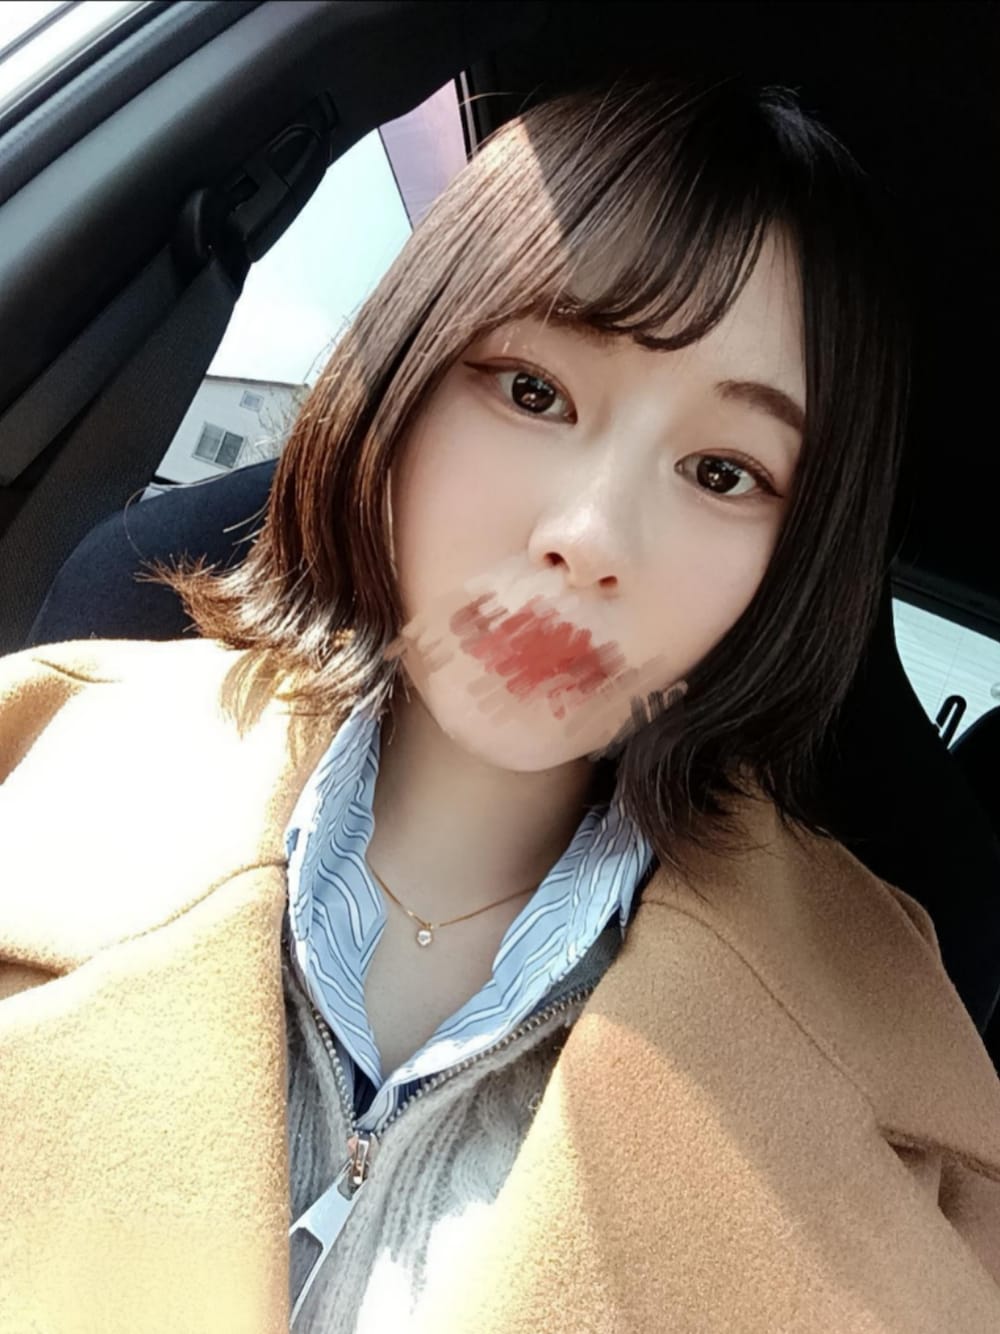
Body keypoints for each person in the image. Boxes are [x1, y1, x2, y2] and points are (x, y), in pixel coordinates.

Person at [1, 71, 999, 1334]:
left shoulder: (915, 1127)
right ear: (401, 383)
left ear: (790, 567)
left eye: (721, 471)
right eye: (534, 392)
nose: (591, 535)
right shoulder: (32, 762)